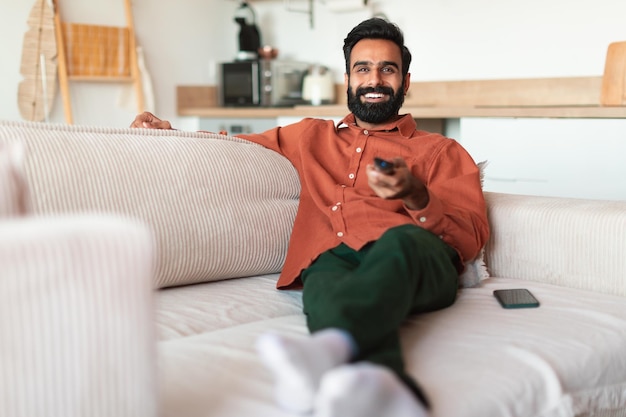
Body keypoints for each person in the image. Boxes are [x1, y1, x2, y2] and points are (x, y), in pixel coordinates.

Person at [131, 17, 489, 417]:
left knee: (399, 242)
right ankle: (384, 389)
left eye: (387, 69)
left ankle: (330, 349)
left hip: (417, 257)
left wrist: (415, 194)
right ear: (348, 80)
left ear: (405, 82)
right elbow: (229, 146)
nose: (374, 80)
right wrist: (169, 132)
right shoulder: (309, 136)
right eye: (363, 69)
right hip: (332, 257)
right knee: (324, 283)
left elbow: (469, 237)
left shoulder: (441, 151)